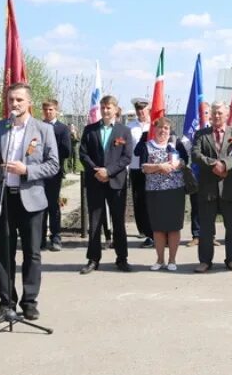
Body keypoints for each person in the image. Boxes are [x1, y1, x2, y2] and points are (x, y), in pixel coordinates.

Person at [0, 82, 59, 323]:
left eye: (19, 100)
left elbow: (53, 164)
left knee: (32, 253)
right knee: (4, 253)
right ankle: (6, 303)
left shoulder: (43, 130)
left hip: (31, 200)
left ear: (29, 103)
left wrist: (26, 169)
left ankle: (29, 303)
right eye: (11, 100)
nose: (14, 104)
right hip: (4, 198)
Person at [79, 95, 134, 274]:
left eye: (109, 107)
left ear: (116, 109)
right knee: (95, 221)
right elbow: (83, 154)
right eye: (103, 107)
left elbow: (126, 157)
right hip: (95, 181)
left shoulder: (124, 131)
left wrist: (108, 172)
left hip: (115, 182)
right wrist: (97, 171)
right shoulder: (89, 130)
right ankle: (93, 259)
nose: (105, 110)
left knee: (118, 221)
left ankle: (122, 258)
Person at [191, 101, 232, 272]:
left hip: (229, 186)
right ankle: (205, 261)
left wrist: (225, 164)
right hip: (208, 188)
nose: (216, 116)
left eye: (220, 112)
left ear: (227, 114)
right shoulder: (201, 134)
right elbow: (195, 154)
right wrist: (214, 164)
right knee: (206, 227)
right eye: (213, 112)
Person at [137, 117, 188, 270]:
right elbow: (144, 167)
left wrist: (178, 163)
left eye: (166, 128)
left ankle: (172, 260)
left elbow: (185, 161)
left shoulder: (176, 144)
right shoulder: (147, 146)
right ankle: (160, 260)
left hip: (175, 191)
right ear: (155, 129)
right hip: (155, 192)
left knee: (173, 227)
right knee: (158, 228)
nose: (163, 131)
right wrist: (160, 166)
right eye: (160, 127)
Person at [40, 99, 71, 251]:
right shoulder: (37, 127)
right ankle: (40, 238)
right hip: (38, 172)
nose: (48, 112)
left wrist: (52, 154)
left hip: (53, 172)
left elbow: (66, 150)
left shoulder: (62, 129)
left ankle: (56, 237)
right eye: (45, 110)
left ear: (56, 111)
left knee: (52, 205)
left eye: (51, 110)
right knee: (39, 206)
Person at [128, 97, 155, 248]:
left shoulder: (154, 124)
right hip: (135, 167)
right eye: (138, 110)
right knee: (139, 200)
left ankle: (153, 232)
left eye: (143, 110)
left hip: (153, 168)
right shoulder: (130, 126)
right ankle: (144, 230)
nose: (140, 113)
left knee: (150, 200)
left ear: (148, 110)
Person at [183, 102, 212, 247]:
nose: (203, 115)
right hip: (195, 173)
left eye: (206, 112)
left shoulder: (213, 130)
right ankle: (196, 235)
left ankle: (210, 235)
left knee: (210, 206)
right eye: (200, 113)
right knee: (196, 205)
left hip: (210, 174)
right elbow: (187, 150)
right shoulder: (191, 132)